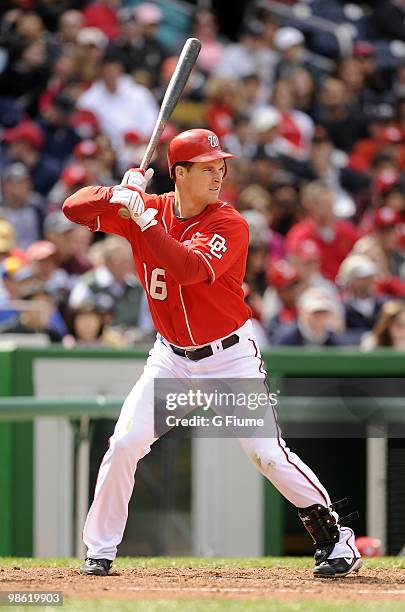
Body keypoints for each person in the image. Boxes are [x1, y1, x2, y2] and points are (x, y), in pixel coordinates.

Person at [63, 128, 361, 578]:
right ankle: (99, 551)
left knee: (267, 455)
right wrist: (118, 193)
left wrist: (142, 220)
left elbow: (188, 270)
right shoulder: (149, 206)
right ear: (179, 173)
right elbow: (73, 207)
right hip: (171, 360)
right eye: (207, 167)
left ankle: (336, 538)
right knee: (124, 443)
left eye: (220, 165)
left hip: (229, 358)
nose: (218, 173)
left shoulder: (229, 223)